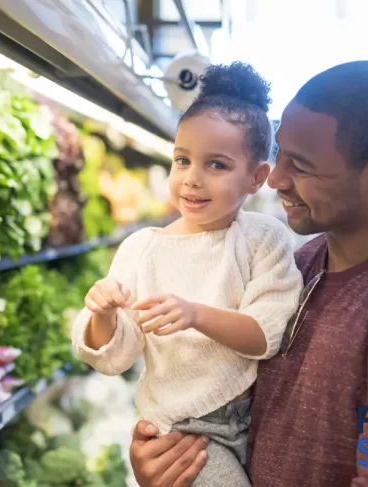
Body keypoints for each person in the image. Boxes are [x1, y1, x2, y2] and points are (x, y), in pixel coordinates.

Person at [128, 60, 368, 487]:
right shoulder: (303, 262)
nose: (275, 180)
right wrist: (173, 464)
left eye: (302, 165)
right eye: (280, 155)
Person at [71, 63, 303, 486]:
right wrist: (103, 314)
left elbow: (267, 335)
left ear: (256, 178)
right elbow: (116, 354)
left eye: (216, 165)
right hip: (184, 429)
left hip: (255, 418)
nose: (192, 179)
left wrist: (195, 314)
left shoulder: (263, 238)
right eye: (182, 160)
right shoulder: (142, 249)